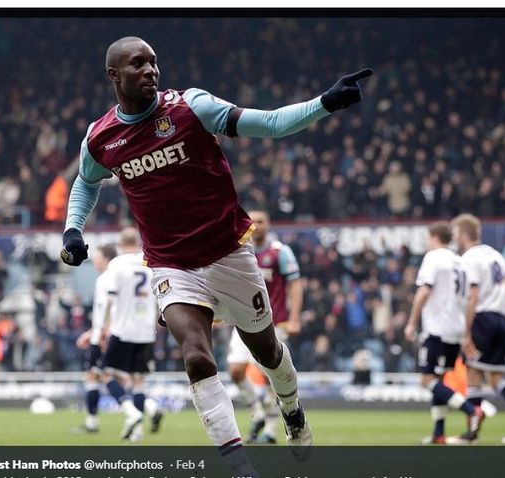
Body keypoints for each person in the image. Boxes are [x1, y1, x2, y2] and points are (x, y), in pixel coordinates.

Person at [60, 36, 370, 474]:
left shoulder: (190, 107)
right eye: (138, 64)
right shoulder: (101, 138)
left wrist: (325, 102)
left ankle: (292, 407)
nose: (151, 70)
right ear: (114, 75)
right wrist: (73, 229)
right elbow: (86, 182)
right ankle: (239, 465)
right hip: (171, 264)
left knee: (266, 352)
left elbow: (272, 124)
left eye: (153, 62)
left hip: (229, 254)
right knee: (196, 356)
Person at [451, 214, 505, 443]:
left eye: (456, 234)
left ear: (464, 234)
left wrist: (466, 332)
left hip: (481, 319)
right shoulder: (493, 254)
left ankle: (472, 433)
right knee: (497, 379)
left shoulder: (469, 258)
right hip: (498, 320)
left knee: (473, 375)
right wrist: (502, 304)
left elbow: (472, 295)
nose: (455, 238)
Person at [226, 209, 303, 444]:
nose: (257, 225)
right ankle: (258, 413)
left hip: (273, 323)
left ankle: (270, 429)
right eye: (253, 221)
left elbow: (295, 284)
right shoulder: (239, 250)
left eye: (261, 221)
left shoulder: (280, 252)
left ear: (268, 224)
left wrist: (295, 318)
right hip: (242, 319)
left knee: (268, 373)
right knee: (235, 370)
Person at [404, 221, 484, 445]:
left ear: (436, 238)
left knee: (426, 380)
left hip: (437, 328)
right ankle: (439, 433)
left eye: (428, 238)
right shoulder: (459, 261)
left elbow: (424, 291)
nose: (427, 243)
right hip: (456, 328)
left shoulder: (434, 257)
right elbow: (469, 299)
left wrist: (412, 322)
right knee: (438, 380)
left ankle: (472, 410)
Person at [99, 228, 164, 442]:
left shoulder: (117, 264)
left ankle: (131, 412)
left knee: (106, 374)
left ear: (120, 243)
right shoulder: (150, 262)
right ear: (138, 242)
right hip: (145, 331)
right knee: (138, 381)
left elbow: (109, 299)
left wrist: (103, 328)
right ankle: (137, 431)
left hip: (123, 329)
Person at [75, 243, 118, 433]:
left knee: (95, 376)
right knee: (109, 376)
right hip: (109, 333)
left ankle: (92, 422)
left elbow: (107, 310)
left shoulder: (106, 279)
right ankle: (148, 408)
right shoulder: (116, 278)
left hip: (102, 336)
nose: (94, 260)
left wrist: (99, 334)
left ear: (106, 258)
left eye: (97, 256)